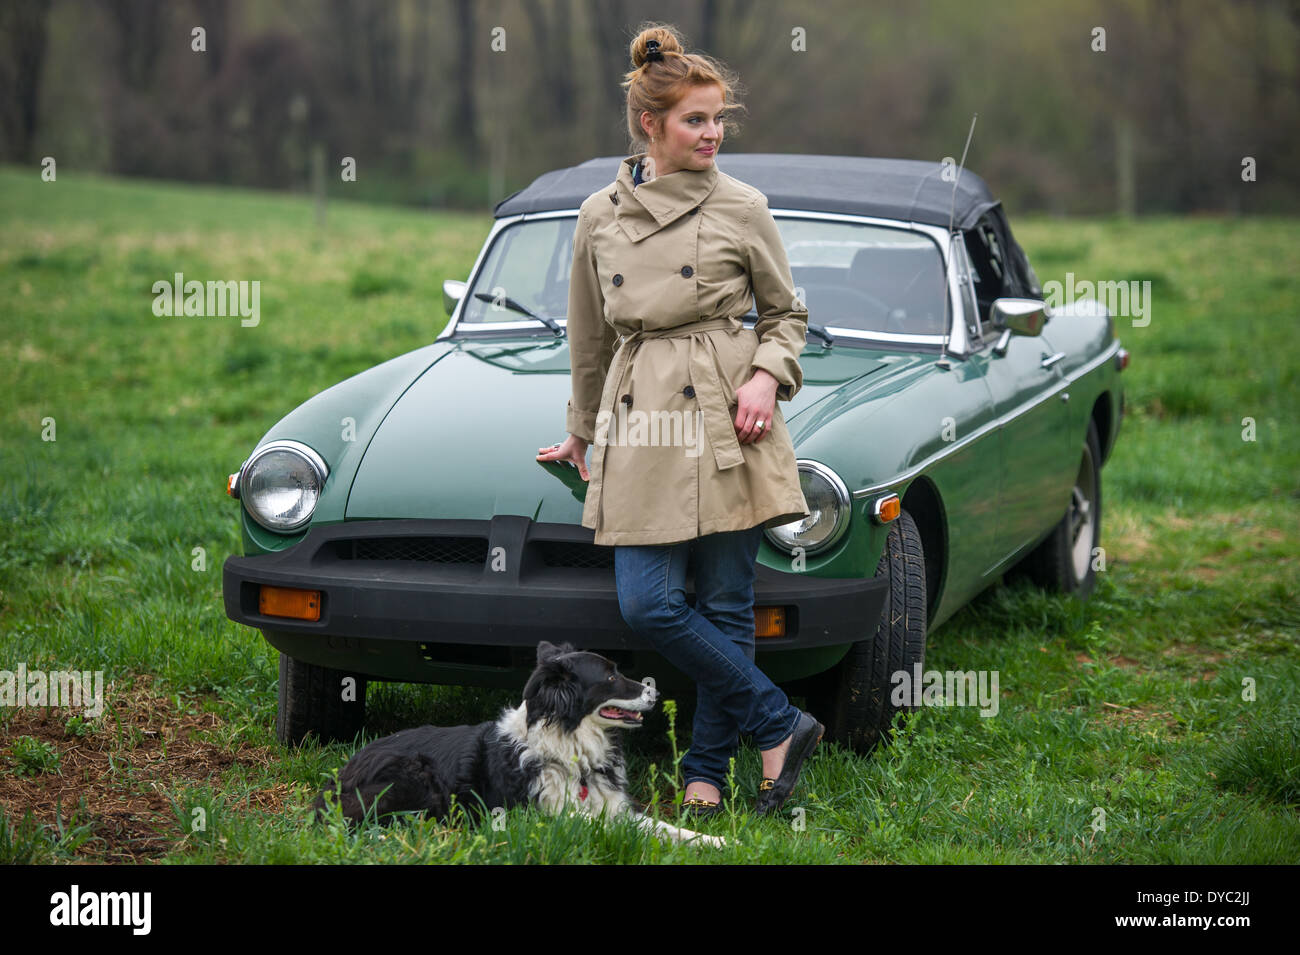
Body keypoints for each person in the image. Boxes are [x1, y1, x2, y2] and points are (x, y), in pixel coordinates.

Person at [535, 23, 821, 817]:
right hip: (641, 416)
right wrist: (582, 429)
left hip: (731, 412)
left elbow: (787, 313)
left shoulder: (742, 205)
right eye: (696, 119)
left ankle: (707, 773)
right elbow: (587, 335)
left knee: (728, 602)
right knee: (649, 603)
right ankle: (777, 722)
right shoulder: (598, 214)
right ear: (650, 126)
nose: (714, 133)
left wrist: (768, 375)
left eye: (720, 118)